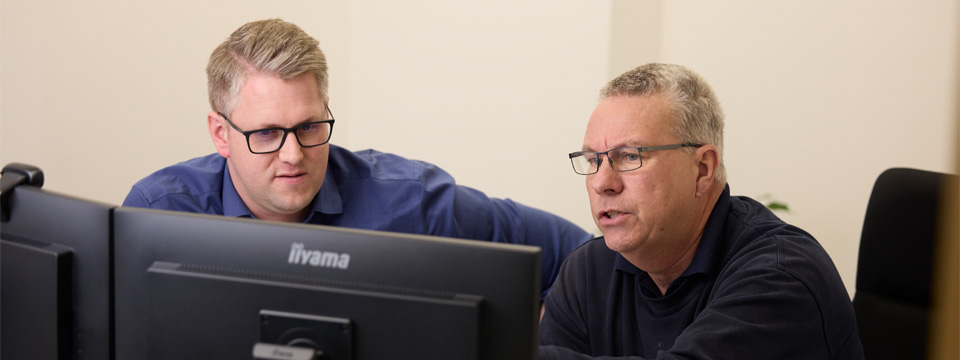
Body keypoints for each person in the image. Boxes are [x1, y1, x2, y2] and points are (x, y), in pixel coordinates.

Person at [122, 18, 591, 299]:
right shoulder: (159, 210)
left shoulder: (412, 202)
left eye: (309, 127)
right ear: (220, 134)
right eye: (266, 133)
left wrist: (548, 335)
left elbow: (580, 255)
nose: (294, 155)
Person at [538, 63, 864, 359]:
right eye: (593, 160)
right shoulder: (587, 272)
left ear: (703, 170)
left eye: (630, 156)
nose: (602, 183)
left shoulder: (780, 276)